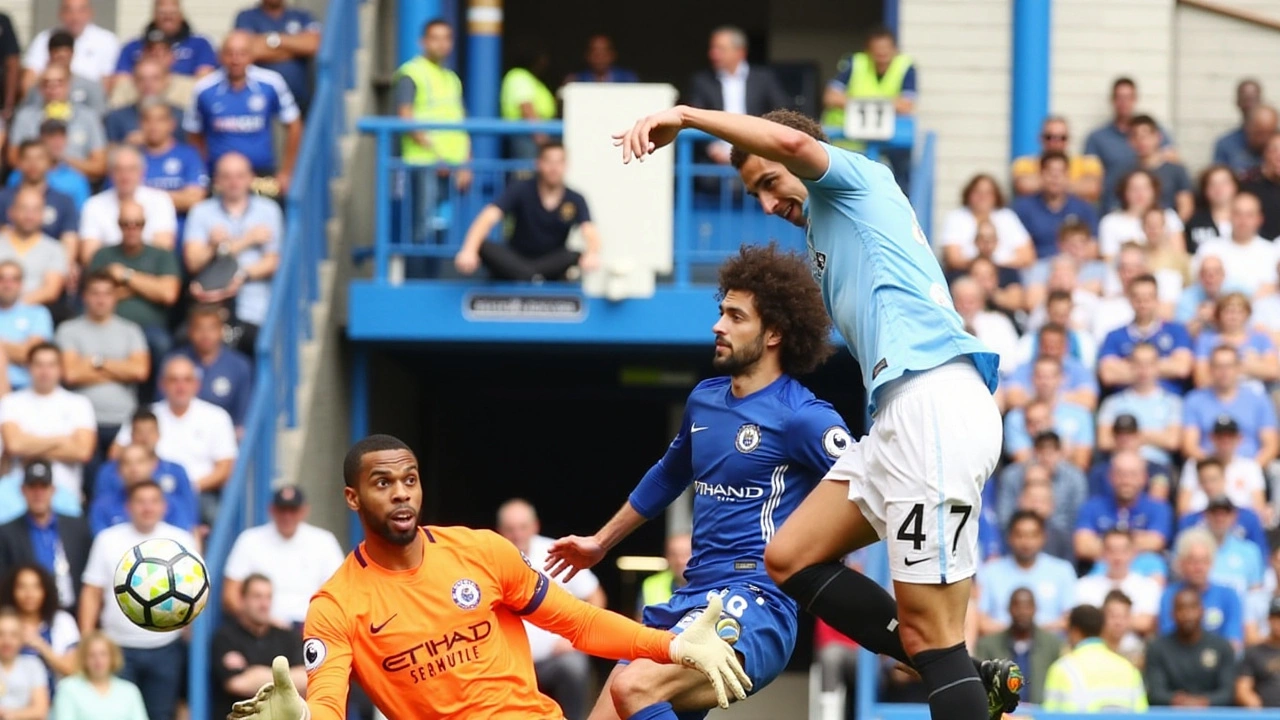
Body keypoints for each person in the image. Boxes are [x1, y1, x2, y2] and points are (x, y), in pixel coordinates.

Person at [607, 105, 1023, 720]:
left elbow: (781, 139)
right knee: (790, 555)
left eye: (770, 183)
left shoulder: (858, 182)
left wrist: (686, 117)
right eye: (755, 195)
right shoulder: (827, 230)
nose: (768, 203)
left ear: (799, 154)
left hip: (936, 407)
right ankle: (961, 674)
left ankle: (956, 674)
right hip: (899, 419)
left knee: (934, 637)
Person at [224, 434, 750, 720]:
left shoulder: (480, 550)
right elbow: (330, 702)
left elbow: (580, 624)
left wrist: (674, 646)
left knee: (629, 686)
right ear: (353, 498)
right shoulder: (335, 605)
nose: (402, 492)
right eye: (383, 483)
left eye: (410, 479)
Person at [544, 244, 853, 719]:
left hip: (756, 603)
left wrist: (820, 561)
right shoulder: (705, 400)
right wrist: (599, 543)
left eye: (735, 316)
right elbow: (668, 474)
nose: (718, 326)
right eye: (721, 312)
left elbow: (864, 490)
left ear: (773, 334)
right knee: (608, 708)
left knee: (633, 688)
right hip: (690, 596)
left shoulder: (803, 417)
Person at [78, 480, 196, 720]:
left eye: (154, 501)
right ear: (128, 506)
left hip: (166, 647)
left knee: (161, 714)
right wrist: (87, 638)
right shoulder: (107, 540)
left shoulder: (181, 540)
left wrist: (189, 630)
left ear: (164, 506)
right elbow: (92, 591)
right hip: (117, 646)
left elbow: (196, 591)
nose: (147, 508)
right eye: (140, 502)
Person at [498, 499, 604, 720]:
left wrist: (574, 638)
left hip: (552, 659)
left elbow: (595, 596)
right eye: (510, 529)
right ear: (500, 531)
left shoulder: (555, 552)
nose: (517, 534)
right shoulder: (490, 557)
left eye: (523, 527)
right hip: (506, 662)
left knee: (574, 666)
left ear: (535, 526)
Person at [454, 142, 602, 282]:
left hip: (549, 263)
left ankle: (528, 276)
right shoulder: (521, 189)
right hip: (516, 260)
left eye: (559, 162)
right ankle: (532, 277)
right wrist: (469, 250)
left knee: (573, 255)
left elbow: (589, 231)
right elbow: (488, 216)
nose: (554, 168)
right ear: (538, 164)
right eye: (549, 162)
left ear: (566, 165)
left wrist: (592, 253)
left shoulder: (575, 199)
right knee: (484, 246)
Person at [185, 31, 301, 190]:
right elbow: (194, 134)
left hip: (262, 175)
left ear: (251, 55)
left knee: (268, 213)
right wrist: (203, 172)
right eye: (230, 54)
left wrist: (287, 172)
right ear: (220, 56)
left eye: (242, 53)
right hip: (220, 178)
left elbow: (294, 125)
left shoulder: (271, 83)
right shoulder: (204, 89)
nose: (235, 60)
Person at [221, 486, 345, 629]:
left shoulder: (324, 541)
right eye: (282, 510)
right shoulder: (250, 540)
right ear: (271, 510)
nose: (287, 516)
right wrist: (262, 621)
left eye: (293, 510)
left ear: (304, 510)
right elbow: (230, 596)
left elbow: (340, 594)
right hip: (260, 629)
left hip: (310, 629)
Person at [85, 199, 182, 360]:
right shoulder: (103, 255)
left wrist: (125, 276)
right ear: (118, 224)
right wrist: (147, 287)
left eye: (138, 224)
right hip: (107, 323)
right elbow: (95, 296)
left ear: (144, 225)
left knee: (161, 343)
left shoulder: (161, 255)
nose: (132, 229)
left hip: (150, 328)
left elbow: (168, 294)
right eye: (126, 224)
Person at [0, 344, 96, 500]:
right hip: (16, 495)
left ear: (60, 368)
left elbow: (82, 451)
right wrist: (61, 440)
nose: (45, 372)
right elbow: (13, 445)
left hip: (65, 494)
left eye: (51, 365)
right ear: (28, 367)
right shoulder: (10, 402)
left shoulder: (79, 403)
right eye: (39, 365)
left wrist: (28, 444)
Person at [0, 461, 91, 613]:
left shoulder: (77, 527)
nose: (38, 493)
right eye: (32, 487)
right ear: (23, 491)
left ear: (53, 490)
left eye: (43, 487)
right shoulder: (6, 533)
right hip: (27, 614)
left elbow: (87, 573)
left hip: (73, 611)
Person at [212, 574, 306, 720]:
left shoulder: (288, 637)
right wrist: (285, 681)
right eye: (257, 597)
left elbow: (307, 680)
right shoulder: (225, 637)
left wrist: (254, 674)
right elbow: (237, 684)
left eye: (268, 597)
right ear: (242, 600)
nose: (264, 604)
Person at [1041, 604, 1147, 712]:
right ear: (1102, 629)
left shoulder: (1061, 669)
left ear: (1075, 631)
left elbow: (1049, 715)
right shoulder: (1129, 669)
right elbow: (1142, 713)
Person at [164, 305, 253, 431]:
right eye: (199, 328)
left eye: (211, 328)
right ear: (189, 331)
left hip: (222, 436)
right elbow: (163, 405)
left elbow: (242, 416)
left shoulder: (240, 365)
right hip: (178, 432)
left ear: (221, 331)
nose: (205, 335)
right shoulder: (175, 363)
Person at [1146, 586, 1237, 706]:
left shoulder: (1222, 647)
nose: (1187, 615)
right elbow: (1156, 693)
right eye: (1181, 609)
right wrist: (1179, 701)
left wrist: (1202, 702)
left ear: (1202, 611)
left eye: (1192, 608)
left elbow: (1227, 693)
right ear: (1172, 614)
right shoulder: (1157, 648)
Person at [974, 589, 1064, 706]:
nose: (1022, 612)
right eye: (1017, 606)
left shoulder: (1053, 645)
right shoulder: (988, 646)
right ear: (1008, 609)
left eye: (1027, 606)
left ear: (1035, 609)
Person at [233, 0, 322, 114]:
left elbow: (313, 44)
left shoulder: (302, 15)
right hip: (260, 104)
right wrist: (296, 49)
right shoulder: (247, 16)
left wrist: (273, 40)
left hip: (300, 102)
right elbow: (250, 50)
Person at [0, 562, 78, 692]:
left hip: (58, 698)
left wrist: (40, 645)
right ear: (11, 591)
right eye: (22, 587)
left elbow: (72, 669)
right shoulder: (4, 622)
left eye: (36, 587)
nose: (29, 594)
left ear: (46, 590)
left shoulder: (62, 621)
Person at [88, 442, 197, 534]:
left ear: (153, 465)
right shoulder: (102, 506)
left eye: (140, 462)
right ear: (118, 470)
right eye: (127, 463)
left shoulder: (173, 505)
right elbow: (102, 543)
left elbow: (183, 539)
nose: (134, 469)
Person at [1011, 151, 1099, 259]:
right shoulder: (1023, 208)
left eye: (1060, 172)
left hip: (1076, 267)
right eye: (1050, 172)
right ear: (1041, 175)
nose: (1055, 178)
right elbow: (1015, 247)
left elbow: (1093, 247)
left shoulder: (1083, 208)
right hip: (1036, 267)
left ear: (1068, 176)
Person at [939, 174, 1033, 273]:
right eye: (977, 192)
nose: (983, 197)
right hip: (966, 274)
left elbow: (1027, 257)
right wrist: (982, 267)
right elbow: (953, 259)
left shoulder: (1007, 217)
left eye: (988, 193)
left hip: (1004, 274)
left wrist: (993, 266)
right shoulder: (956, 218)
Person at [112, 0, 217, 83]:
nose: (168, 17)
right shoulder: (132, 47)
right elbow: (122, 82)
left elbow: (204, 81)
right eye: (162, 13)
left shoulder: (200, 44)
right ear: (154, 15)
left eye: (173, 12)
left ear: (181, 15)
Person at [51, 632, 149, 720]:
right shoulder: (68, 688)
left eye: (103, 654)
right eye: (92, 655)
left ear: (112, 657)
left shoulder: (130, 691)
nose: (98, 660)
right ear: (83, 659)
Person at [22, 0, 120, 85]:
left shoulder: (107, 40)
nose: (75, 17)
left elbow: (108, 81)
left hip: (89, 101)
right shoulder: (44, 39)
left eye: (81, 11)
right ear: (60, 13)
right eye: (69, 11)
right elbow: (29, 79)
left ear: (90, 13)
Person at [1098, 170, 1185, 261]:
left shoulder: (1169, 216)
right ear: (1124, 192)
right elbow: (1109, 261)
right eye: (1134, 189)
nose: (1140, 193)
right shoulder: (1110, 222)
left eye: (1145, 188)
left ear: (1154, 191)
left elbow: (1179, 256)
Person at [1010, 116, 1102, 202]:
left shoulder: (1087, 163)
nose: (1055, 142)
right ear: (1040, 138)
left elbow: (1092, 189)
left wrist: (1047, 183)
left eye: (1062, 138)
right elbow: (1024, 186)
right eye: (1049, 137)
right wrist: (1072, 184)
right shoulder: (1025, 163)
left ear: (1069, 139)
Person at [0, 608, 50, 719]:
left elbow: (41, 710)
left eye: (13, 635)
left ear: (21, 638)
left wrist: (9, 715)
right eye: (1, 634)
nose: (6, 641)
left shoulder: (33, 665)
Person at [1184, 164, 1239, 253]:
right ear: (1205, 190)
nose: (1219, 188)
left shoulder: (1249, 218)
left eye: (1224, 183)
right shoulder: (1194, 221)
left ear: (1235, 186)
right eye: (1212, 184)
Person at [1237, 597, 1280, 707]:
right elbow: (1243, 688)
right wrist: (1254, 705)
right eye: (1276, 618)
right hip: (1266, 713)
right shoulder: (1254, 652)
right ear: (1269, 620)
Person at [636, 534, 691, 618]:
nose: (680, 561)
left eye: (686, 554)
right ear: (666, 557)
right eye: (674, 554)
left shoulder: (712, 584)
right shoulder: (651, 585)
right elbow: (639, 624)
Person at [564, 35, 637, 85]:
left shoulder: (627, 79)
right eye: (595, 52)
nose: (599, 57)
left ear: (612, 54)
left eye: (604, 52)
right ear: (587, 55)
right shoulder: (577, 80)